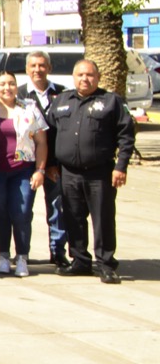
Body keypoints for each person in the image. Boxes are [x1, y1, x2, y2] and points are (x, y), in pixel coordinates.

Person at [47, 59, 135, 284]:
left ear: (98, 77)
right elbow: (49, 134)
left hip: (100, 172)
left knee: (103, 219)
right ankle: (79, 261)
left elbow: (126, 136)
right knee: (73, 217)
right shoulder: (61, 101)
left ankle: (106, 264)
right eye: (80, 75)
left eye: (89, 75)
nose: (84, 79)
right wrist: (50, 164)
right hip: (68, 172)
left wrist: (120, 166)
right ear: (73, 77)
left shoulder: (111, 101)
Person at [0, 72, 48, 278]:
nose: (7, 88)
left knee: (22, 212)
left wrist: (40, 170)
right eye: (2, 84)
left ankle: (22, 258)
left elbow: (42, 142)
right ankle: (3, 256)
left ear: (17, 86)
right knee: (0, 214)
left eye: (11, 84)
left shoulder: (30, 108)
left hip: (23, 170)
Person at [17, 51, 66, 267]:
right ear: (27, 69)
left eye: (42, 65)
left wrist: (53, 164)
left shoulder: (64, 94)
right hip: (25, 163)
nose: (38, 69)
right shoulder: (17, 95)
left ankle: (57, 252)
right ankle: (22, 252)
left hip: (55, 163)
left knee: (57, 209)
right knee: (23, 209)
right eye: (33, 66)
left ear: (49, 68)